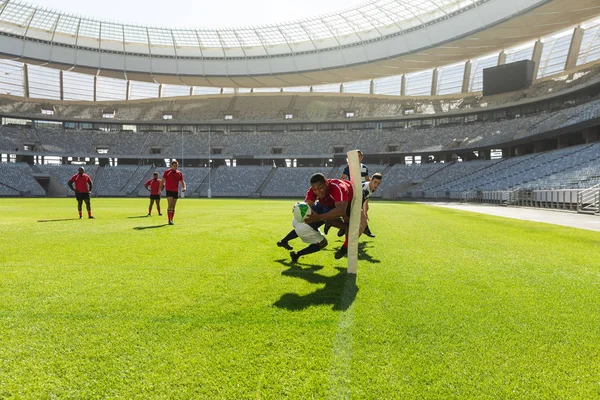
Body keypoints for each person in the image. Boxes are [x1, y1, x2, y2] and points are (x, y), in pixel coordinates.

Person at [303, 173, 354, 260]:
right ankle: (339, 226)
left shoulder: (338, 188)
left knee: (351, 223)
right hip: (329, 202)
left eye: (320, 188)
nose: (318, 192)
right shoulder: (313, 190)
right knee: (328, 218)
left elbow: (341, 210)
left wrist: (319, 217)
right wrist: (300, 208)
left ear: (326, 183)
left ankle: (345, 246)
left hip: (349, 200)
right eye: (315, 189)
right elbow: (307, 204)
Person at [340, 149, 375, 237]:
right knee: (357, 211)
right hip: (353, 192)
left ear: (361, 158)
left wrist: (373, 184)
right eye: (355, 156)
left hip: (363, 192)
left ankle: (344, 228)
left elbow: (367, 179)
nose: (357, 158)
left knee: (364, 209)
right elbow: (343, 178)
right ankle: (365, 229)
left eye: (359, 156)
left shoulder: (364, 167)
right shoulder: (349, 167)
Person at [159, 160, 186, 225]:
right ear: (172, 166)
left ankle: (171, 219)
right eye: (174, 165)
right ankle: (169, 220)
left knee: (173, 206)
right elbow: (162, 181)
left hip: (175, 191)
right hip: (169, 190)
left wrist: (184, 187)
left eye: (176, 165)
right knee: (170, 205)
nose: (175, 166)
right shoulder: (167, 172)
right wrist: (159, 189)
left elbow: (182, 181)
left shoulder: (179, 173)